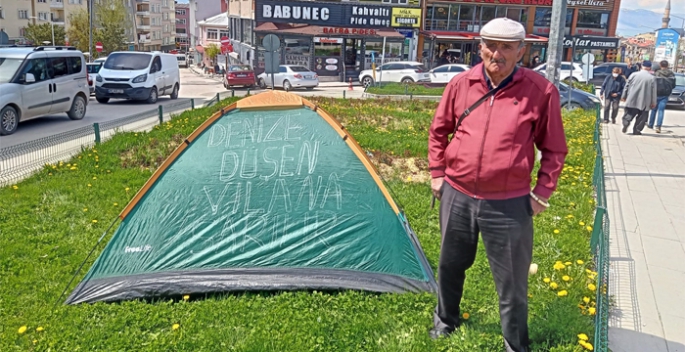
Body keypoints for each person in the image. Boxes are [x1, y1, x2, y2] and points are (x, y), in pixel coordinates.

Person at [428, 17, 568, 352]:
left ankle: (515, 344)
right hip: (458, 194)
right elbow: (438, 131)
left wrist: (542, 193)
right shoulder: (460, 84)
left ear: (521, 51)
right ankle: (446, 321)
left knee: (512, 282)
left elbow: (554, 148)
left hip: (509, 203)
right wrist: (437, 173)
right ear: (480, 48)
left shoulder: (540, 92)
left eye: (507, 47)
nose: (498, 54)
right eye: (491, 45)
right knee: (450, 265)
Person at [621, 61, 657, 135]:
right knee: (642, 117)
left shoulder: (633, 75)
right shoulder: (652, 78)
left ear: (641, 66)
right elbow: (654, 91)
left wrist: (624, 96)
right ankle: (636, 130)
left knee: (629, 114)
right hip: (645, 102)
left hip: (632, 99)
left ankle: (626, 123)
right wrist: (653, 102)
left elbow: (626, 86)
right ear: (650, 68)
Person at [648, 60, 676, 133]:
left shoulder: (657, 73)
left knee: (653, 110)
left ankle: (650, 124)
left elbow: (652, 83)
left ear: (660, 65)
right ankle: (658, 126)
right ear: (667, 65)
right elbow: (673, 85)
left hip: (656, 94)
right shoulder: (672, 74)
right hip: (665, 95)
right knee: (661, 111)